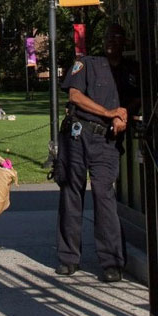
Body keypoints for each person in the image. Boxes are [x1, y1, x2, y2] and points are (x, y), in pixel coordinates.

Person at [54, 22, 140, 283]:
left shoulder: (130, 72)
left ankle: (112, 262)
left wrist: (124, 113)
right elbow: (75, 96)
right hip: (79, 136)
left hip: (106, 142)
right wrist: (108, 113)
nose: (111, 40)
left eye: (117, 35)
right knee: (72, 193)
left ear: (125, 41)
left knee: (104, 196)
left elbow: (137, 98)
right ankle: (68, 258)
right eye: (107, 36)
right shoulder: (87, 64)